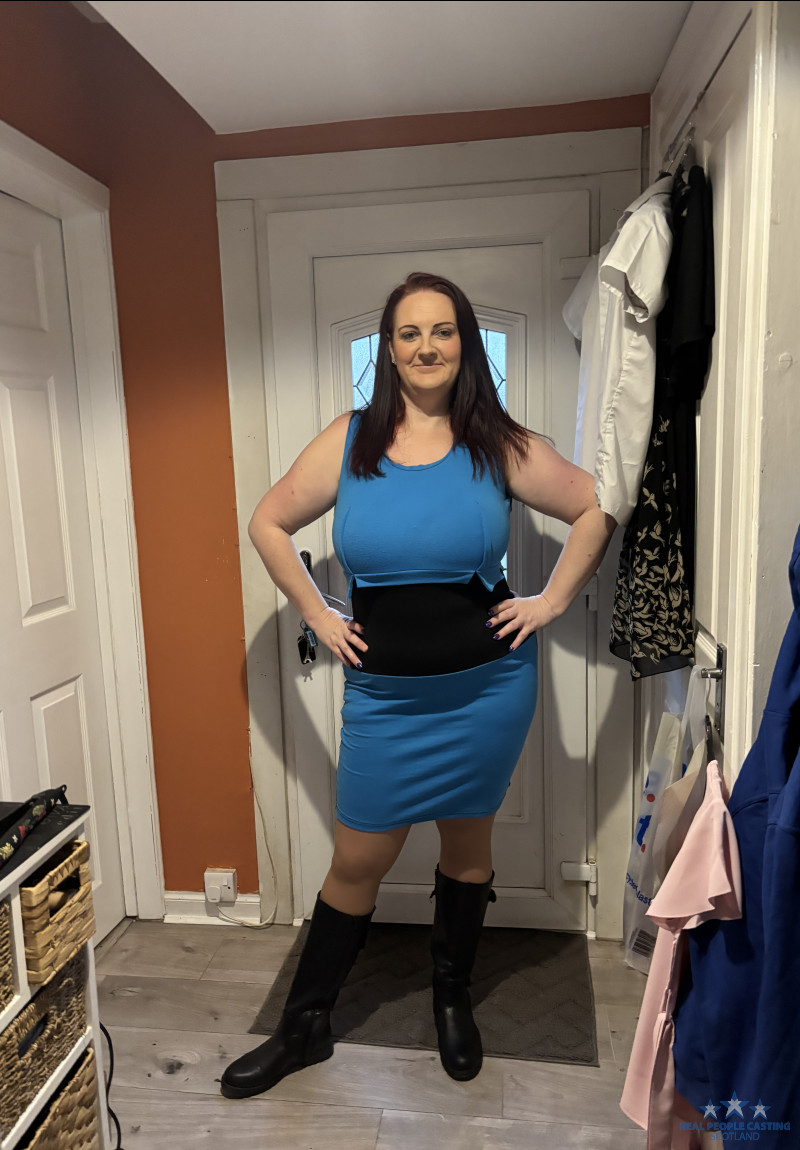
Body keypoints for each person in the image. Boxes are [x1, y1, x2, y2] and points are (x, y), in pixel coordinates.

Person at [221, 271, 616, 1100]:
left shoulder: (496, 442)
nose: (427, 346)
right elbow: (267, 520)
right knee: (359, 856)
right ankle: (304, 1025)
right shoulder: (350, 440)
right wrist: (317, 611)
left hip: (486, 689)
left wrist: (550, 601)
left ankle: (451, 998)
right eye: (409, 333)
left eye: (442, 330)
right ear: (390, 349)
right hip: (386, 698)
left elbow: (594, 507)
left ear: (463, 343)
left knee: (468, 851)